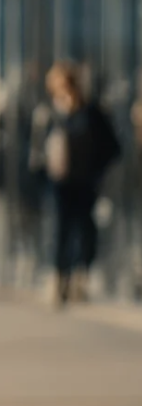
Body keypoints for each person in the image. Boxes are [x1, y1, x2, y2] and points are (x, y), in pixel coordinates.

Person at [29, 62, 121, 305]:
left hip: (84, 183)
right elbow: (36, 151)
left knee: (84, 229)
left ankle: (80, 276)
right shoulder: (48, 113)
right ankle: (59, 277)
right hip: (57, 184)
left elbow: (112, 147)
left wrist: (96, 172)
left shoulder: (91, 113)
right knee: (58, 229)